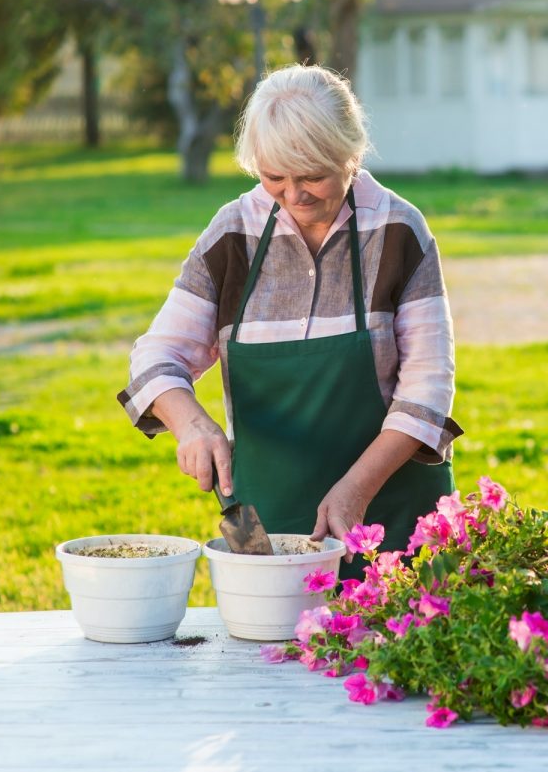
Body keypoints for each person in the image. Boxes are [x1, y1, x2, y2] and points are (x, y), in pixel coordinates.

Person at [118, 64, 461, 574]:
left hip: (393, 509)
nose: (294, 197)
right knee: (264, 645)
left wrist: (355, 489)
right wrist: (191, 424)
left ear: (351, 155)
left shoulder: (398, 229)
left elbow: (428, 390)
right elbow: (155, 356)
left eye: (313, 177)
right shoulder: (234, 231)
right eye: (274, 177)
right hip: (261, 521)